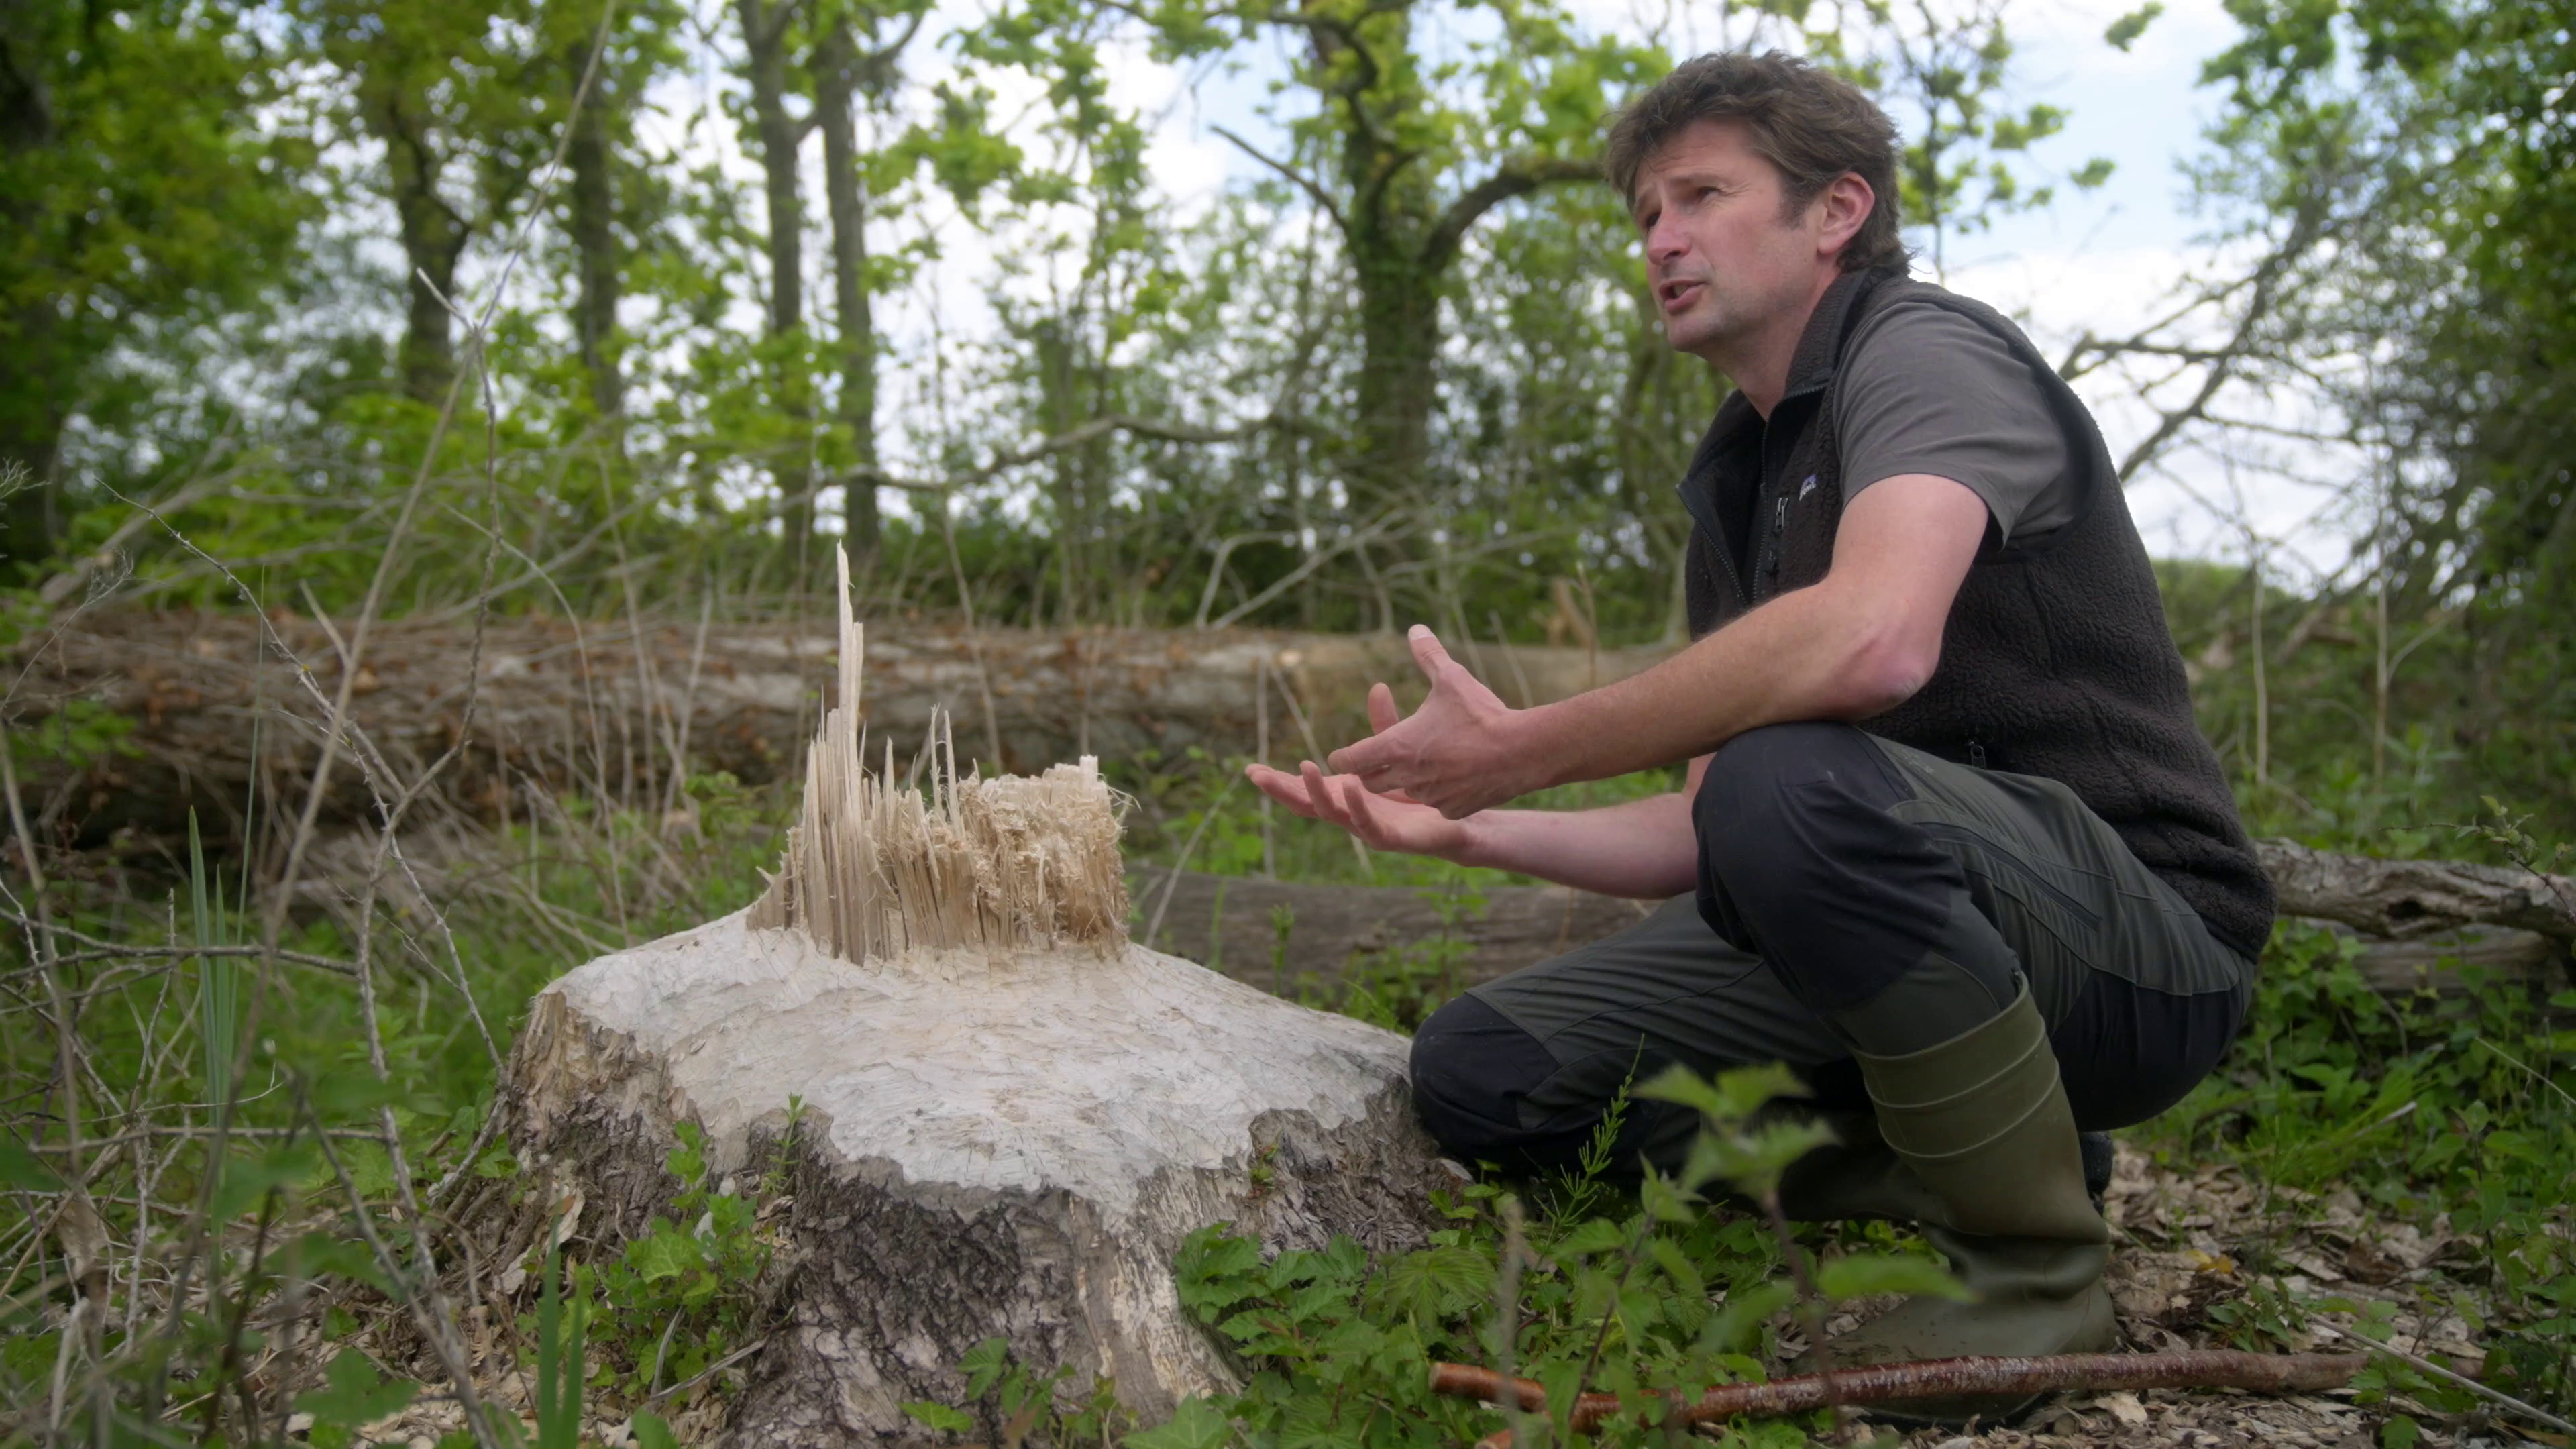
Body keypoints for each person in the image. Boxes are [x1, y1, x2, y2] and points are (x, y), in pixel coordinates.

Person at [1246, 50, 2275, 1417]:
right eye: (1644, 216)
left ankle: (2036, 1277)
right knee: (1486, 1077)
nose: (1661, 238)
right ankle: (1995, 1154)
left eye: (1702, 196)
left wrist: (1531, 740)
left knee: (1795, 786)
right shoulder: (1742, 476)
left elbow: (1875, 637)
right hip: (1904, 923)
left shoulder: (1926, 355)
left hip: (2140, 951)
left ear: (1835, 211)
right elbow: (1702, 821)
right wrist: (1473, 825)